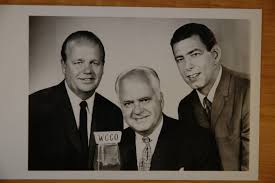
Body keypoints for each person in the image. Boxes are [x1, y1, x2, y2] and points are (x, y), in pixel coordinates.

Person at [29, 31, 123, 170]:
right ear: (63, 65)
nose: (88, 70)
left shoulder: (113, 113)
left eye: (95, 63)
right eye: (78, 62)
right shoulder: (34, 106)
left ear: (103, 67)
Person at [170, 23, 250, 171]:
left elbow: (253, 168)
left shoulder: (248, 91)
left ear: (215, 55)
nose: (187, 66)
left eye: (194, 54)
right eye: (180, 59)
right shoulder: (185, 106)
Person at [115, 66, 221, 170]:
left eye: (144, 100)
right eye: (128, 103)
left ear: (161, 100)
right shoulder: (114, 145)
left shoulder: (198, 141)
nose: (137, 111)